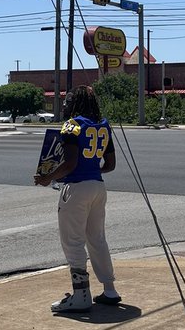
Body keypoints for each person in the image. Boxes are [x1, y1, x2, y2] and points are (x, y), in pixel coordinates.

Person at [34, 85, 121, 313]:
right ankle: (110, 289)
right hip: (98, 187)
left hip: (75, 188)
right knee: (97, 238)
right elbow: (110, 165)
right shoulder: (103, 125)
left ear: (75, 102)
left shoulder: (72, 125)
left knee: (73, 242)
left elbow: (70, 164)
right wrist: (91, 173)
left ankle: (81, 294)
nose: (65, 104)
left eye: (68, 100)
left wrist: (47, 178)